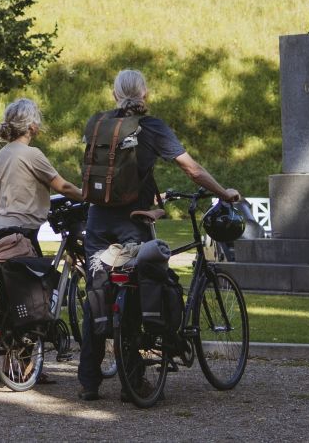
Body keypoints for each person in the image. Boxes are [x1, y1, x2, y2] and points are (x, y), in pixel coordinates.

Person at [77, 68, 241, 401]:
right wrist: (224, 193)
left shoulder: (98, 124)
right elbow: (191, 169)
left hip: (96, 221)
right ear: (145, 95)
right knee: (138, 294)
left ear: (114, 95)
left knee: (99, 294)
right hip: (131, 222)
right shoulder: (151, 127)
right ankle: (134, 383)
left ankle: (89, 383)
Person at [0, 98, 82, 257]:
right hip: (22, 233)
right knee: (43, 280)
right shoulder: (32, 154)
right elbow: (63, 187)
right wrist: (87, 196)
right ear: (32, 126)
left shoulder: (0, 156)